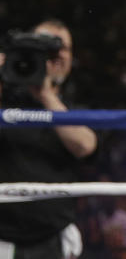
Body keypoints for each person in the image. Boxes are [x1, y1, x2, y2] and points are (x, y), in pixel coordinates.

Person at [0, 20, 98, 259]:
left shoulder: (74, 110)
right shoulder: (5, 103)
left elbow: (85, 146)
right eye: (44, 47)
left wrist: (44, 93)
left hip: (52, 239)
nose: (56, 54)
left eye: (62, 47)